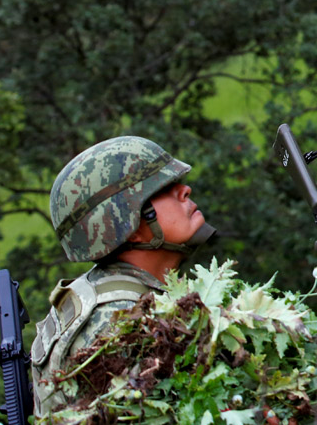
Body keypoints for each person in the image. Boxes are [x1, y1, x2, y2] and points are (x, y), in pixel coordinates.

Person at [30, 136, 216, 416]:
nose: (185, 190)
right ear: (126, 224)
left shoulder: (120, 295)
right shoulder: (120, 324)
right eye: (165, 188)